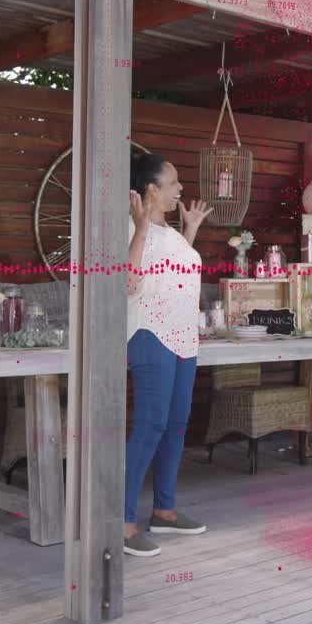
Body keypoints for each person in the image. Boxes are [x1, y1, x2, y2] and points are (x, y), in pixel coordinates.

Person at [123, 151, 214, 556]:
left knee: (176, 424)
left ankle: (165, 511)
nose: (181, 190)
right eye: (174, 182)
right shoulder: (129, 227)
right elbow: (127, 282)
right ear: (151, 189)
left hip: (183, 339)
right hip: (150, 335)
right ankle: (121, 522)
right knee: (150, 426)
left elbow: (173, 272)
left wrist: (190, 230)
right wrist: (140, 229)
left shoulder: (173, 233)